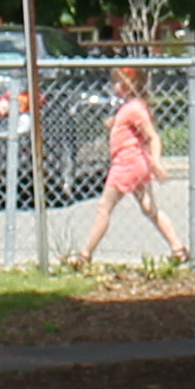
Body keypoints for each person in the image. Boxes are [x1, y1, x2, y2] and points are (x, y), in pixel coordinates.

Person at [74, 78, 180, 266]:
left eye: (117, 82)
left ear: (127, 85)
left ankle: (84, 255)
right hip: (132, 163)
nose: (113, 86)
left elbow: (152, 136)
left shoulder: (135, 108)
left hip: (127, 164)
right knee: (149, 208)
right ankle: (178, 249)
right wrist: (114, 123)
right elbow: (127, 125)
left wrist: (156, 161)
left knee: (104, 207)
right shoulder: (129, 107)